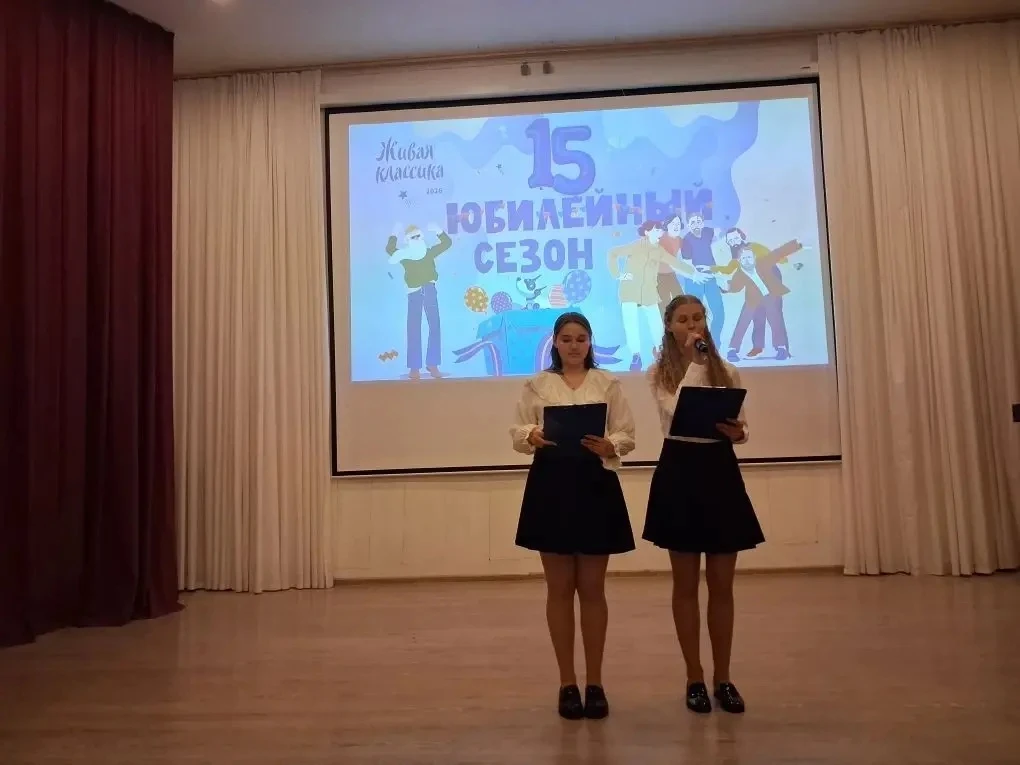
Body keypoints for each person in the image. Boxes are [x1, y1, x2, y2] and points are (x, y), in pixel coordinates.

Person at [642, 294, 765, 715]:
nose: (693, 325)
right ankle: (694, 676)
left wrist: (739, 433)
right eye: (683, 319)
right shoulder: (659, 372)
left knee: (722, 585)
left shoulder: (726, 370)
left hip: (718, 470)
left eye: (698, 318)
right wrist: (697, 362)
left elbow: (742, 426)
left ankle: (723, 678)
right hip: (680, 470)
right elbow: (677, 411)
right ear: (669, 326)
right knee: (685, 585)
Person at [511, 311, 637, 720]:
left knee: (593, 590)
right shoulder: (537, 384)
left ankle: (595, 683)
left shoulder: (608, 383)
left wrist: (611, 445)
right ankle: (567, 683)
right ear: (555, 342)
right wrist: (531, 435)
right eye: (566, 339)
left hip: (596, 485)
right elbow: (518, 431)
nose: (574, 345)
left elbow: (627, 433)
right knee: (560, 590)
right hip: (550, 486)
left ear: (590, 342)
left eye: (581, 338)